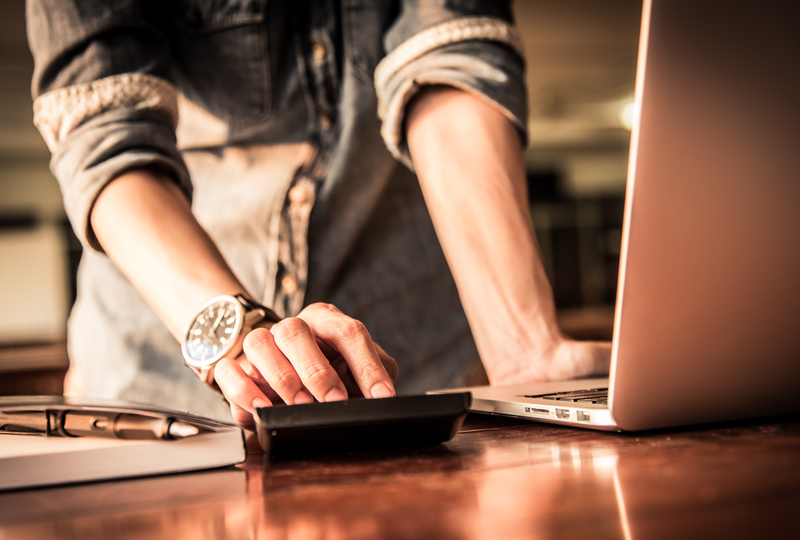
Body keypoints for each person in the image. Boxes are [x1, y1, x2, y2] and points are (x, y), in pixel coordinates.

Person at [27, 0, 610, 430]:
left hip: (406, 381)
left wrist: (523, 350)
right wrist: (235, 334)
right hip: (158, 383)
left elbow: (450, 52)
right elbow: (105, 130)